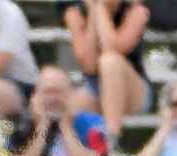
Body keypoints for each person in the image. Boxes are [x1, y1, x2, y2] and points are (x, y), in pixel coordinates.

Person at [62, 0, 152, 139]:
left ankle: (110, 136)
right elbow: (89, 65)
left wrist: (101, 10)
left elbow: (112, 48)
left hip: (131, 89)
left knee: (110, 61)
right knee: (71, 105)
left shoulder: (136, 11)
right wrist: (93, 15)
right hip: (95, 86)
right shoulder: (75, 14)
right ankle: (79, 149)